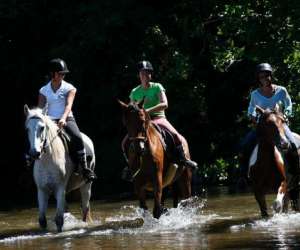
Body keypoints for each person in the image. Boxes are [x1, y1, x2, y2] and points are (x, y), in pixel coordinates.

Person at [121, 60, 198, 181]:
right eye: (142, 73)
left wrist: (147, 111)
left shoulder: (157, 87)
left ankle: (184, 159)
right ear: (139, 75)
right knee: (125, 142)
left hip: (158, 118)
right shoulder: (134, 92)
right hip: (142, 122)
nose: (145, 75)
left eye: (147, 73)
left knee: (175, 135)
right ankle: (129, 166)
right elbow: (131, 109)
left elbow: (165, 104)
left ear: (150, 75)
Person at [35, 58, 97, 183]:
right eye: (60, 73)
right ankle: (29, 162)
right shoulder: (43, 90)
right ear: (53, 74)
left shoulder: (69, 88)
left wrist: (63, 119)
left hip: (66, 118)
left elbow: (68, 105)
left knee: (77, 137)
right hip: (49, 121)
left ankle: (85, 168)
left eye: (64, 73)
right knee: (34, 136)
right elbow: (40, 109)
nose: (63, 75)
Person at [238, 62, 299, 186]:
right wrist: (252, 116)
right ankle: (243, 176)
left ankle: (296, 172)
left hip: (279, 125)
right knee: (244, 145)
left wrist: (286, 114)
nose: (264, 79)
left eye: (266, 76)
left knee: (292, 144)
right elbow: (251, 109)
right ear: (258, 79)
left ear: (271, 76)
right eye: (261, 77)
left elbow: (289, 104)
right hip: (262, 126)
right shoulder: (255, 94)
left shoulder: (281, 90)